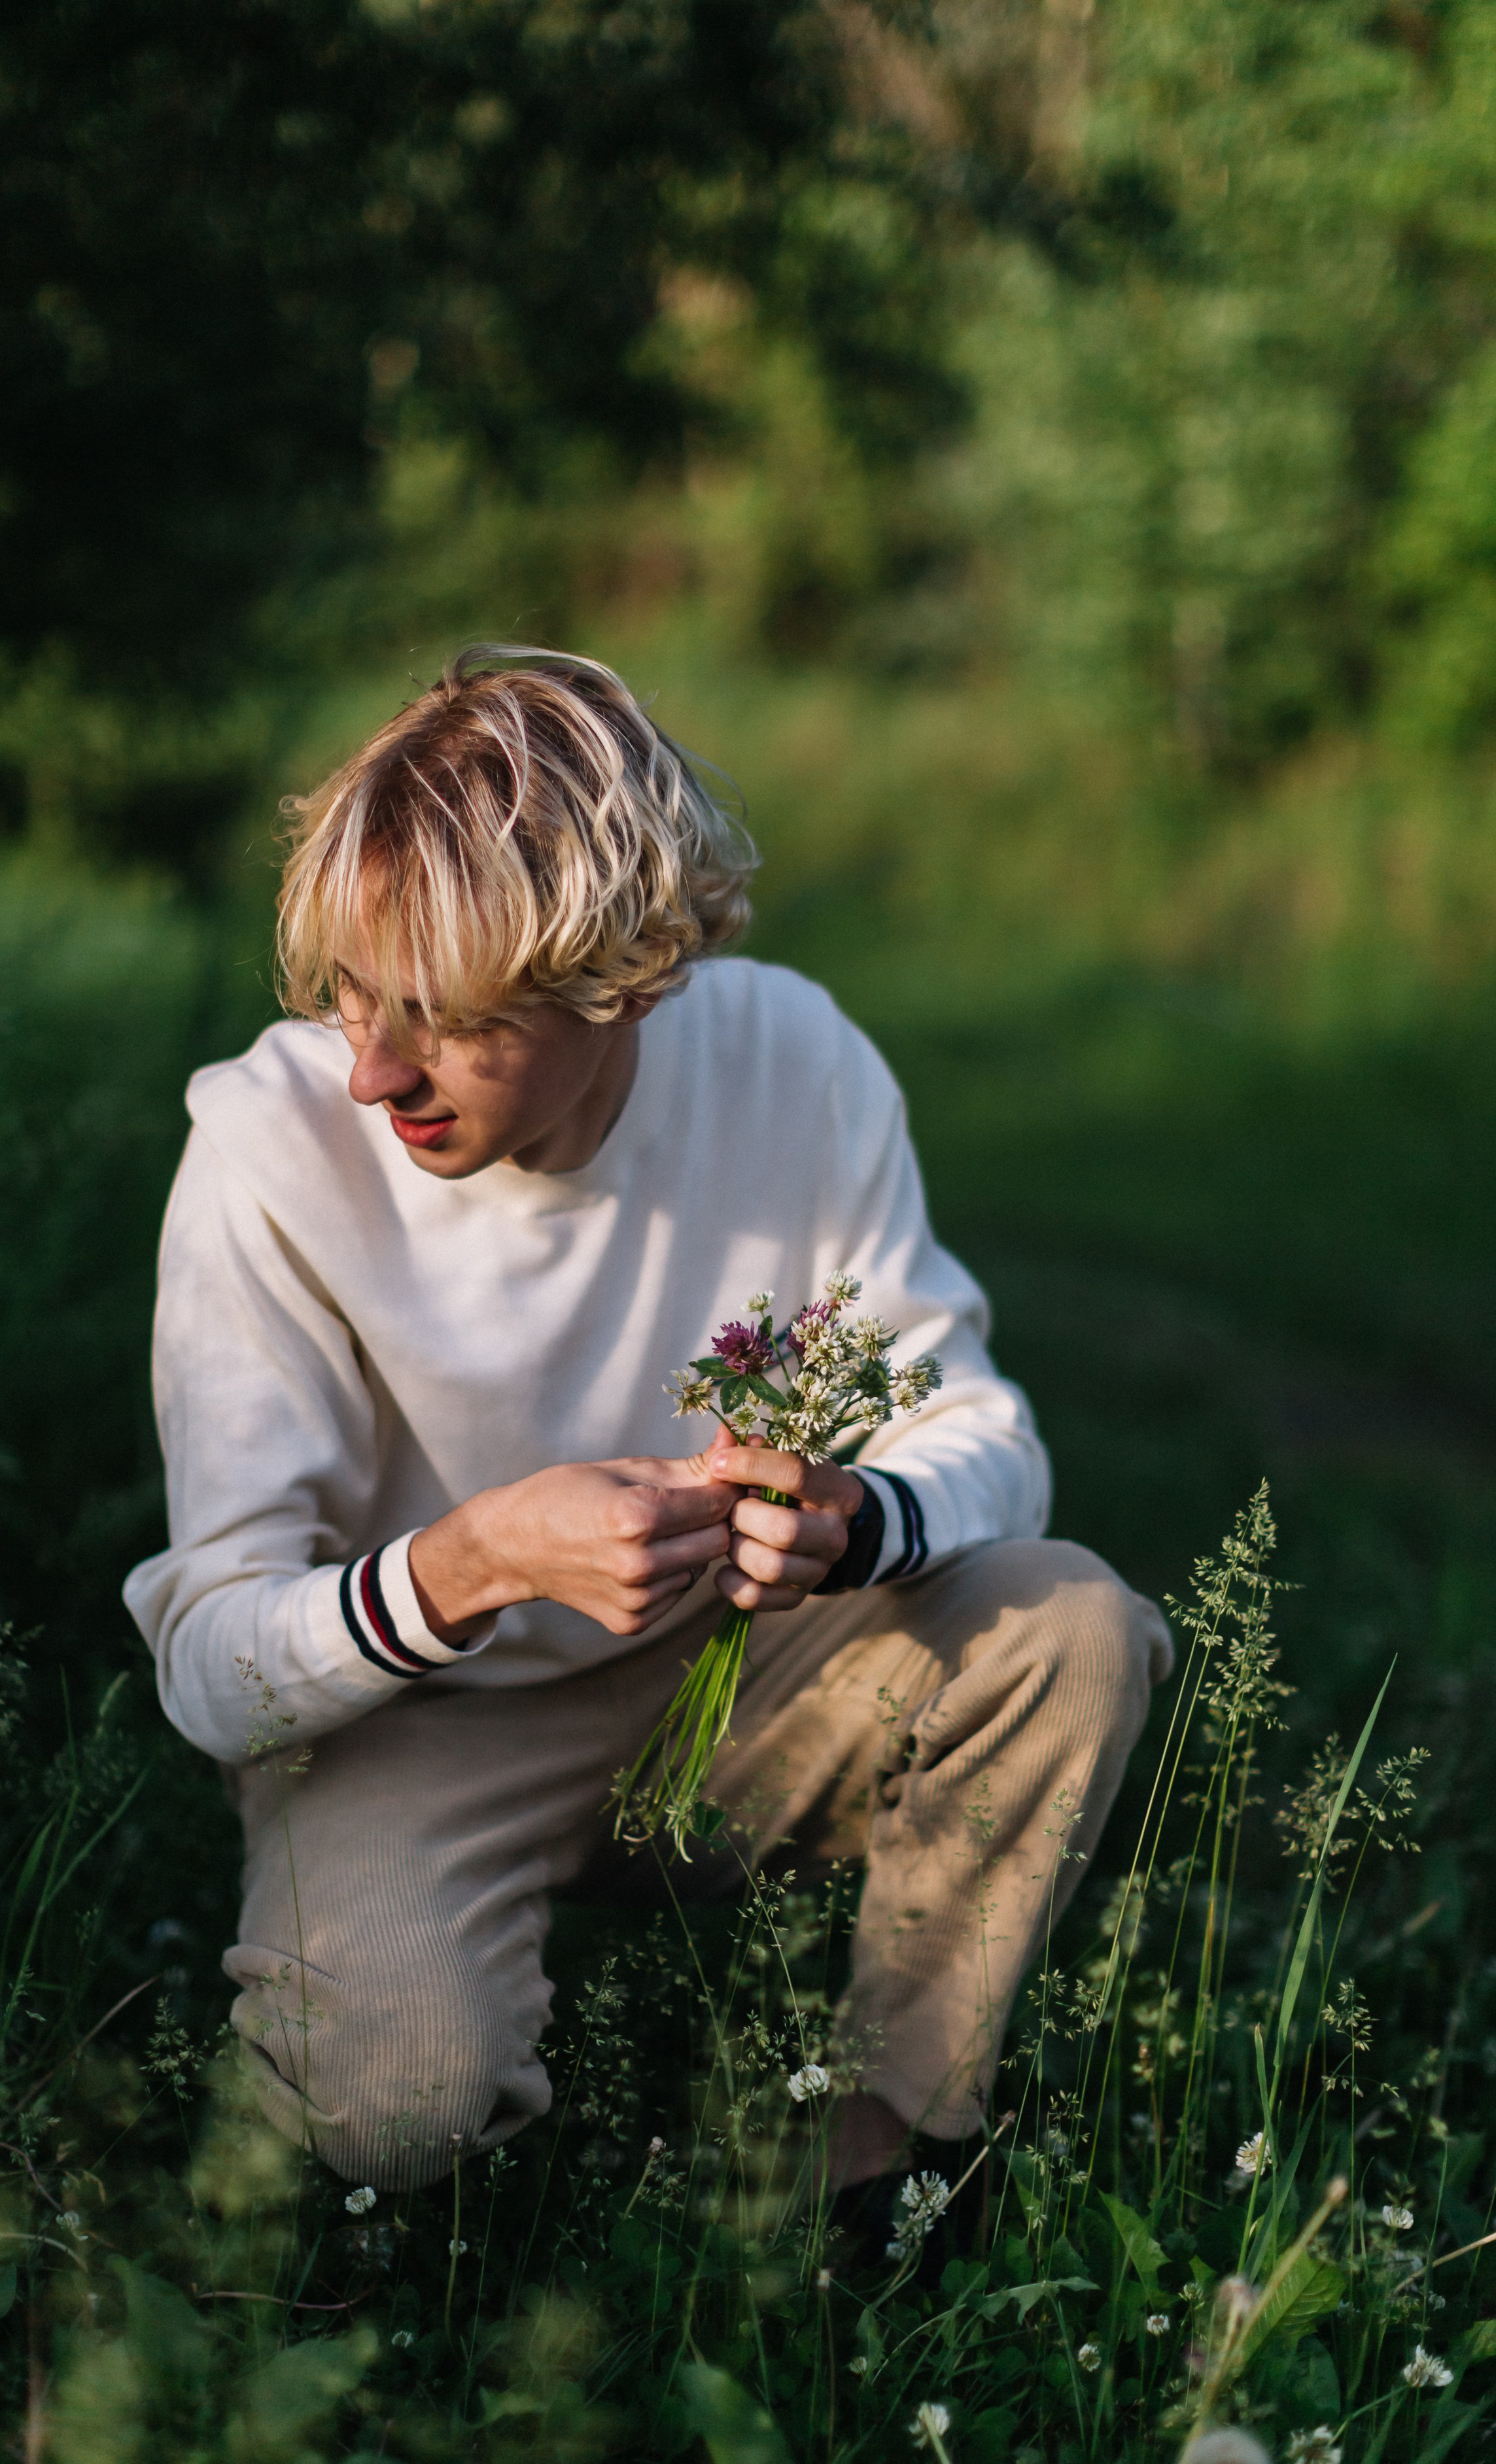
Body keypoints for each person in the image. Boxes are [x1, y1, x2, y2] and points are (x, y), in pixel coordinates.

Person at [124, 645, 1172, 2242]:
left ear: (627, 977)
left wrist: (854, 1517)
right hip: (413, 1724)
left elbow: (985, 1438)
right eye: (348, 991)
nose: (373, 1069)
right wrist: (468, 1565)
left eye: (443, 1018)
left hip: (743, 1688)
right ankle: (435, 2189)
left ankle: (883, 2154)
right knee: (387, 2104)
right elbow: (211, 1673)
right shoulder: (271, 1150)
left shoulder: (790, 1060)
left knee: (1071, 1625)